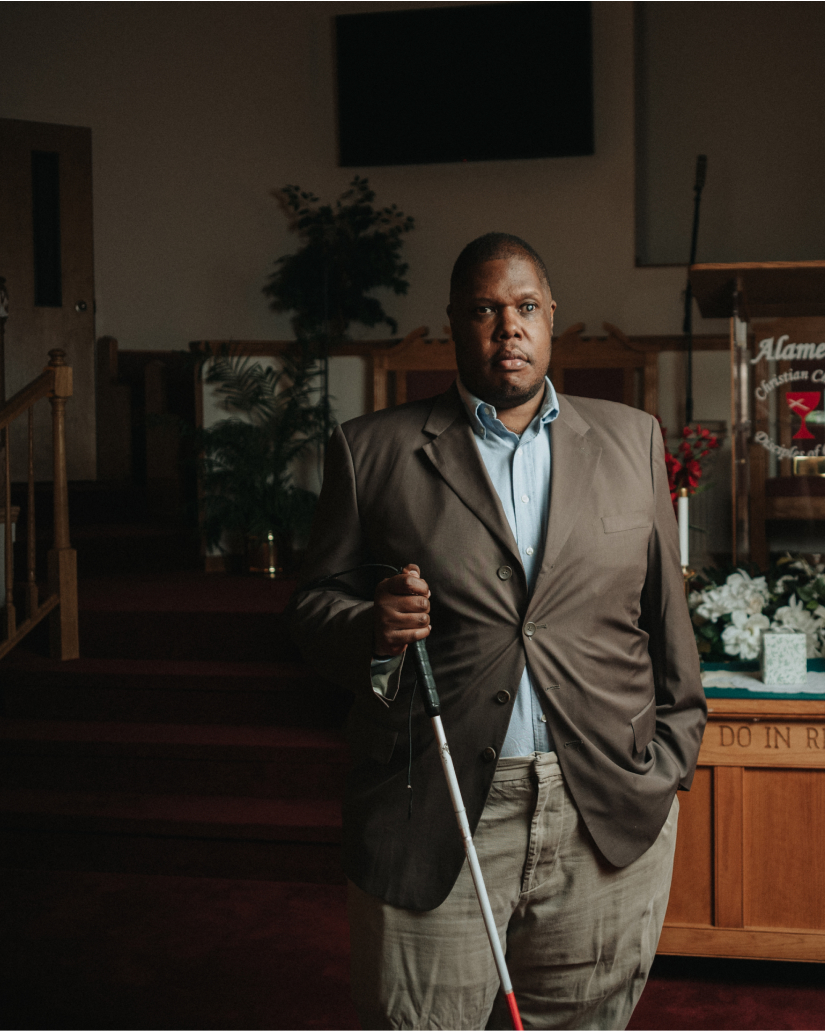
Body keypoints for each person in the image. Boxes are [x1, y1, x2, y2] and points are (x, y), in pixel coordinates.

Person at [285, 232, 706, 1030]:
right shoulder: (371, 451)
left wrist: (672, 759)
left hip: (605, 808)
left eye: (523, 308)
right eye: (484, 309)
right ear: (454, 323)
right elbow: (312, 612)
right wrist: (373, 629)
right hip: (435, 806)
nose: (506, 327)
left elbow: (666, 623)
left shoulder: (631, 440)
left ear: (552, 319)